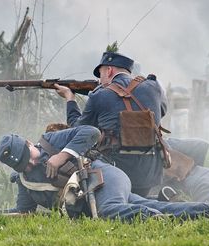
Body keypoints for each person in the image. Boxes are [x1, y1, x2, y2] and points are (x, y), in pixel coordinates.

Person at [0, 125, 209, 221]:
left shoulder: (50, 141)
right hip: (95, 197)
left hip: (104, 179)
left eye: (29, 159)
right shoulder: (26, 180)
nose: (29, 166)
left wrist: (64, 154)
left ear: (29, 144)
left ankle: (150, 218)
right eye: (22, 166)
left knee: (109, 211)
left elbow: (91, 132)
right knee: (160, 207)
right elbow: (23, 211)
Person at [54, 52, 166, 197]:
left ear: (109, 70)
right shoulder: (154, 87)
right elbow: (161, 112)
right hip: (149, 173)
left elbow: (78, 129)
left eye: (100, 74)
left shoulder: (99, 95)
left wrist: (70, 98)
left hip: (115, 172)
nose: (99, 79)